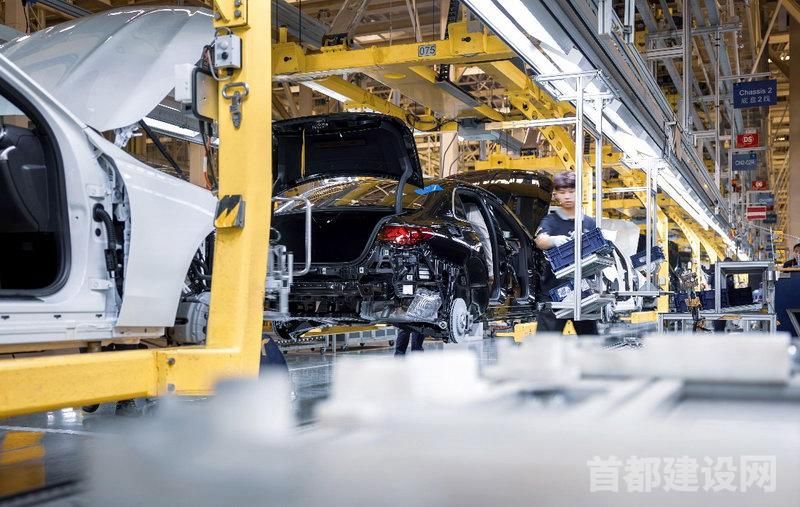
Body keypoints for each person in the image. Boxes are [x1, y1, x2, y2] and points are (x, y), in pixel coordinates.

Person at [534, 171, 598, 335]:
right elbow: (540, 240)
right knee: (547, 343)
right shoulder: (551, 220)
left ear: (579, 193)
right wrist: (553, 240)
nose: (567, 196)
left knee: (589, 342)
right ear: (556, 195)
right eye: (562, 192)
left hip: (583, 293)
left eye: (571, 191)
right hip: (554, 292)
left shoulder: (589, 223)